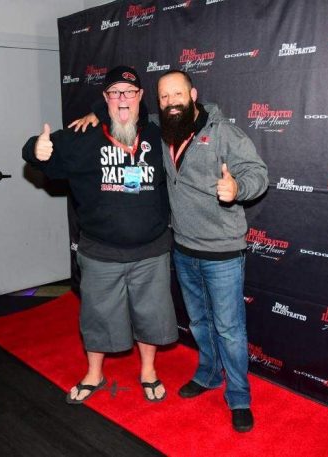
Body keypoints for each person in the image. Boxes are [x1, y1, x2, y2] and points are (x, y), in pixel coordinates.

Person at [72, 70, 269, 432]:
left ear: (193, 94)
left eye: (177, 94)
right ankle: (209, 374)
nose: (171, 102)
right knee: (199, 323)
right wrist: (96, 114)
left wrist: (238, 188)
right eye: (164, 97)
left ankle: (239, 396)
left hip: (223, 252)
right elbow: (123, 107)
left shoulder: (223, 132)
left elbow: (258, 173)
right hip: (183, 249)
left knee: (229, 329)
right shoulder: (160, 129)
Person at [22, 66, 177, 404]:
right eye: (115, 92)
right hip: (100, 252)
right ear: (105, 99)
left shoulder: (158, 135)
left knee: (151, 315)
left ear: (140, 97)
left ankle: (148, 370)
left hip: (151, 251)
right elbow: (39, 151)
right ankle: (94, 373)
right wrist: (36, 149)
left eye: (129, 92)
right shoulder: (83, 136)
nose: (123, 99)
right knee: (97, 316)